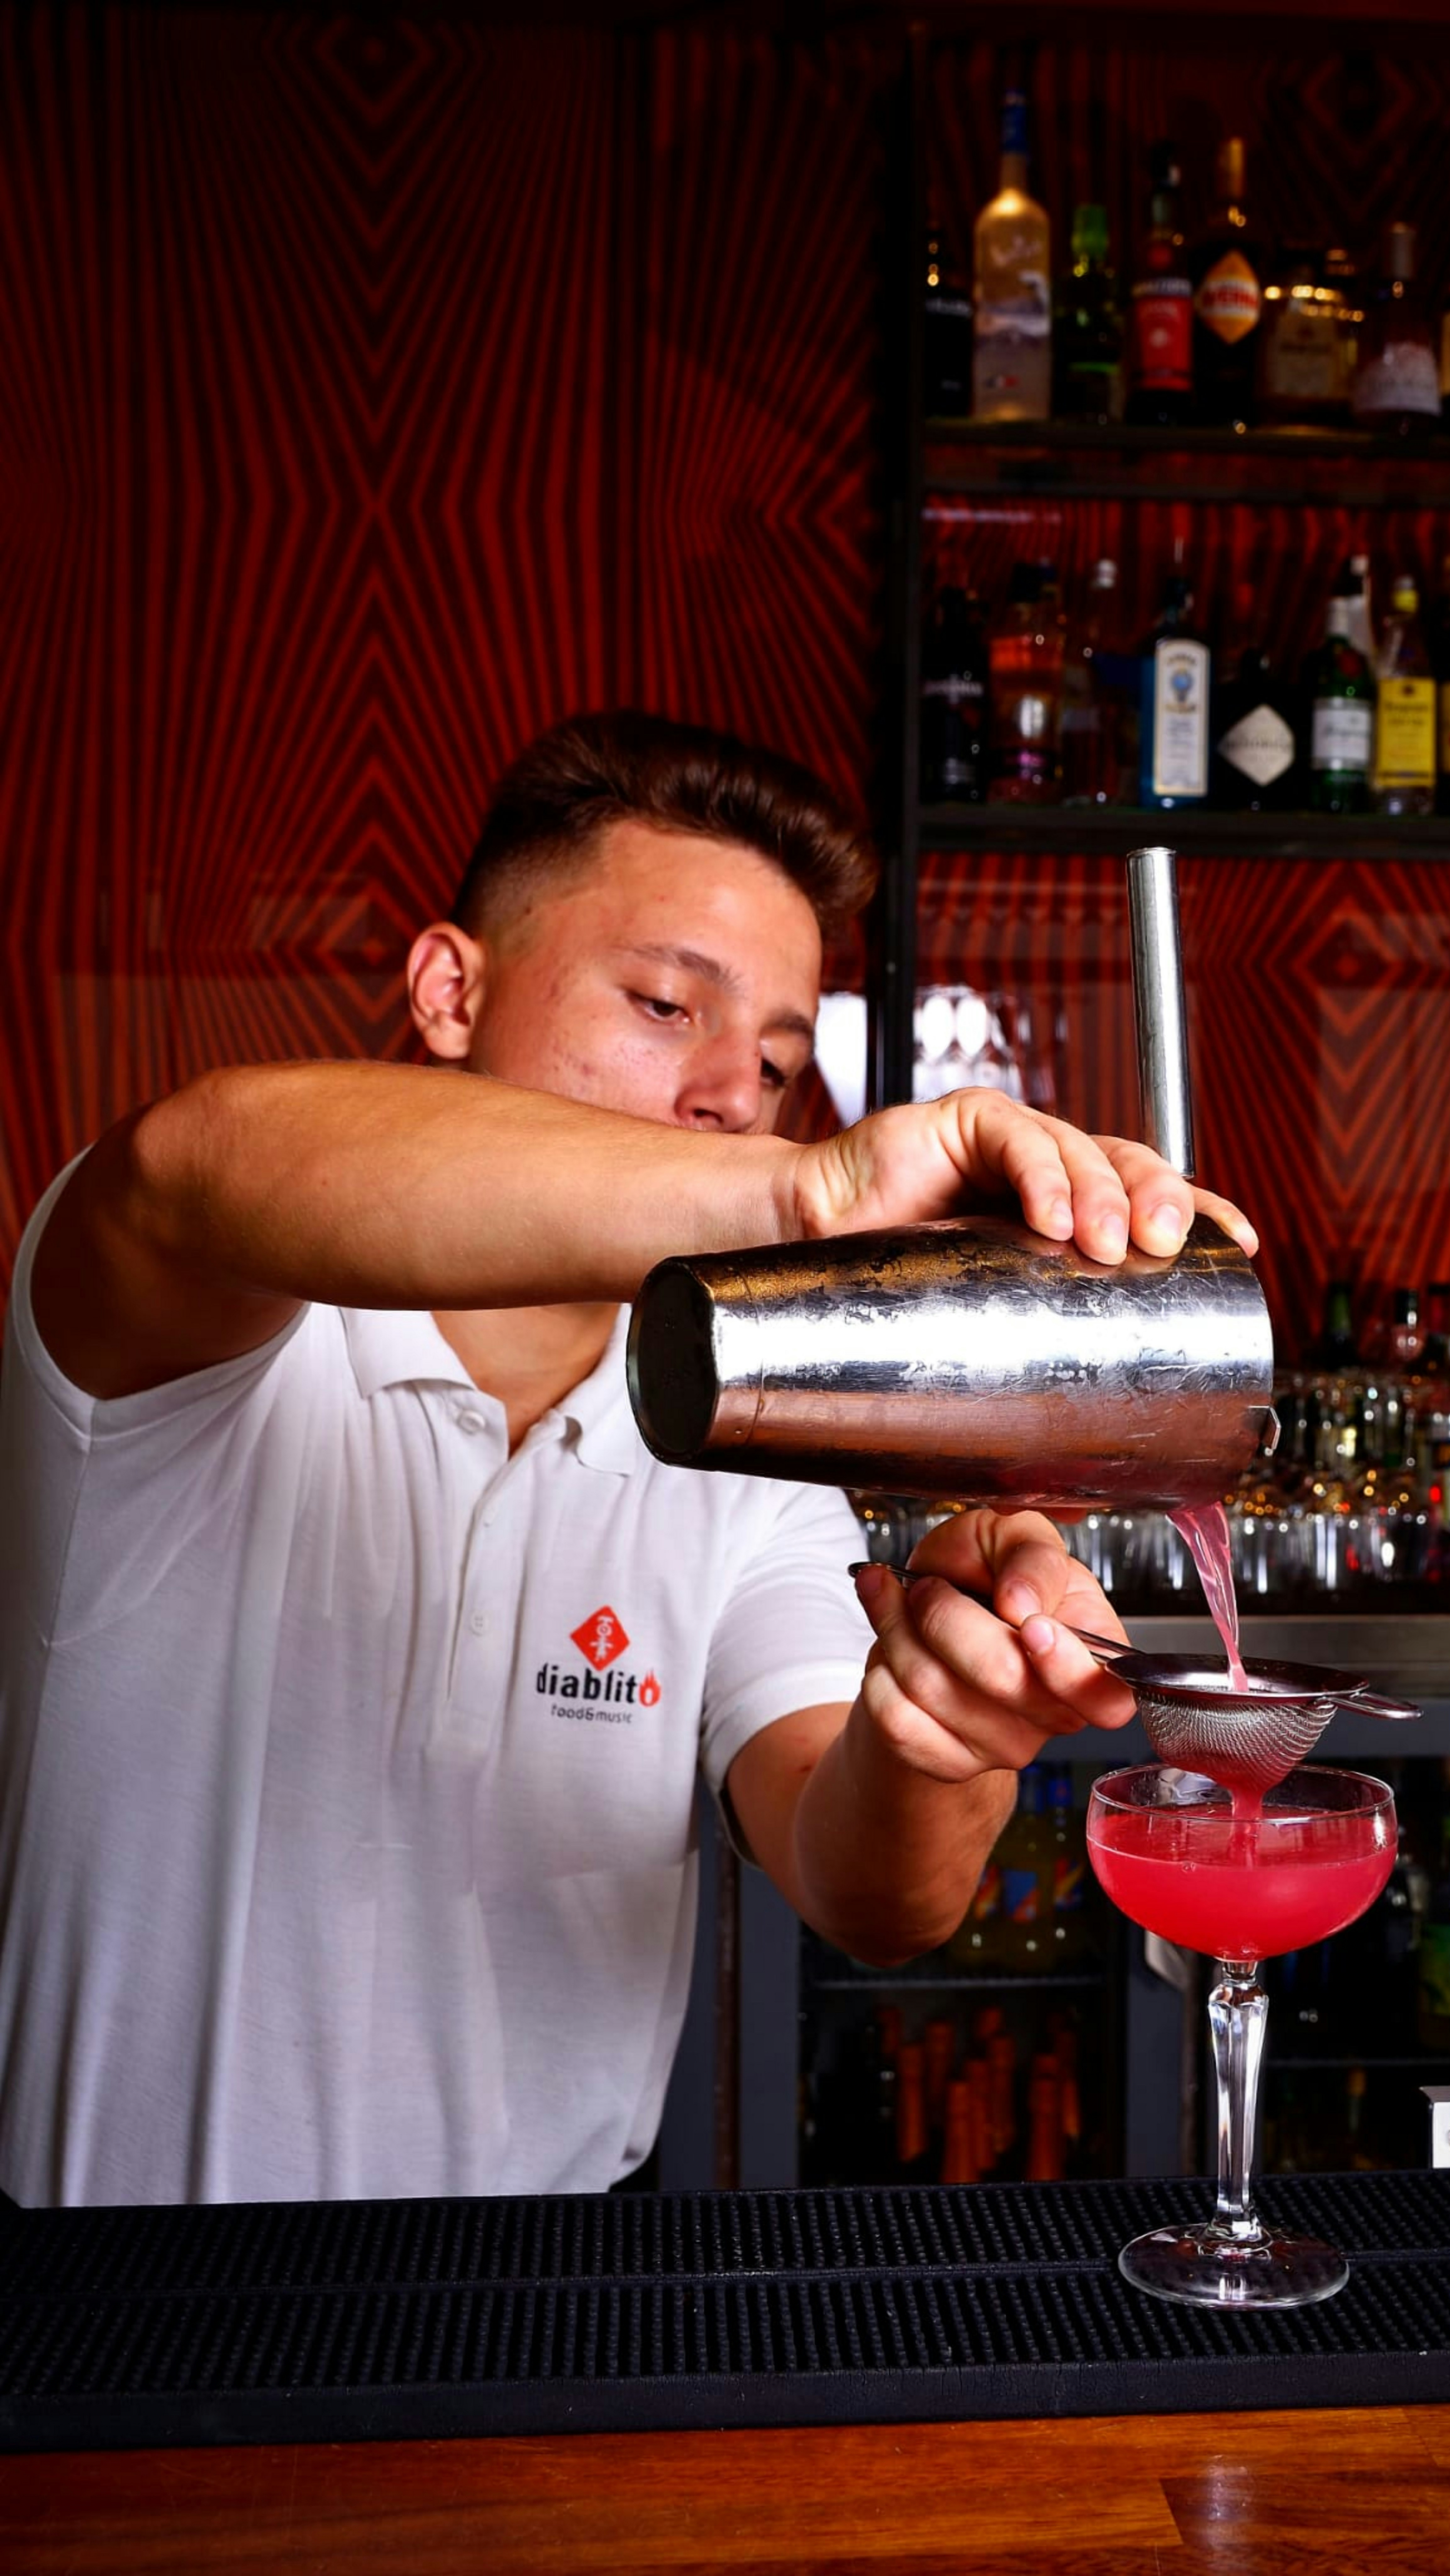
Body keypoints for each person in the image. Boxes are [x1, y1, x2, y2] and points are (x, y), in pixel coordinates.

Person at [0, 710, 1256, 2208]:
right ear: (449, 990)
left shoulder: (743, 1465)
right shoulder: (200, 1347)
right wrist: (805, 1191)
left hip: (548, 2317)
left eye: (783, 1061)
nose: (737, 1087)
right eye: (669, 1003)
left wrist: (935, 1742)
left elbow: (870, 1889)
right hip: (112, 2320)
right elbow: (187, 1170)